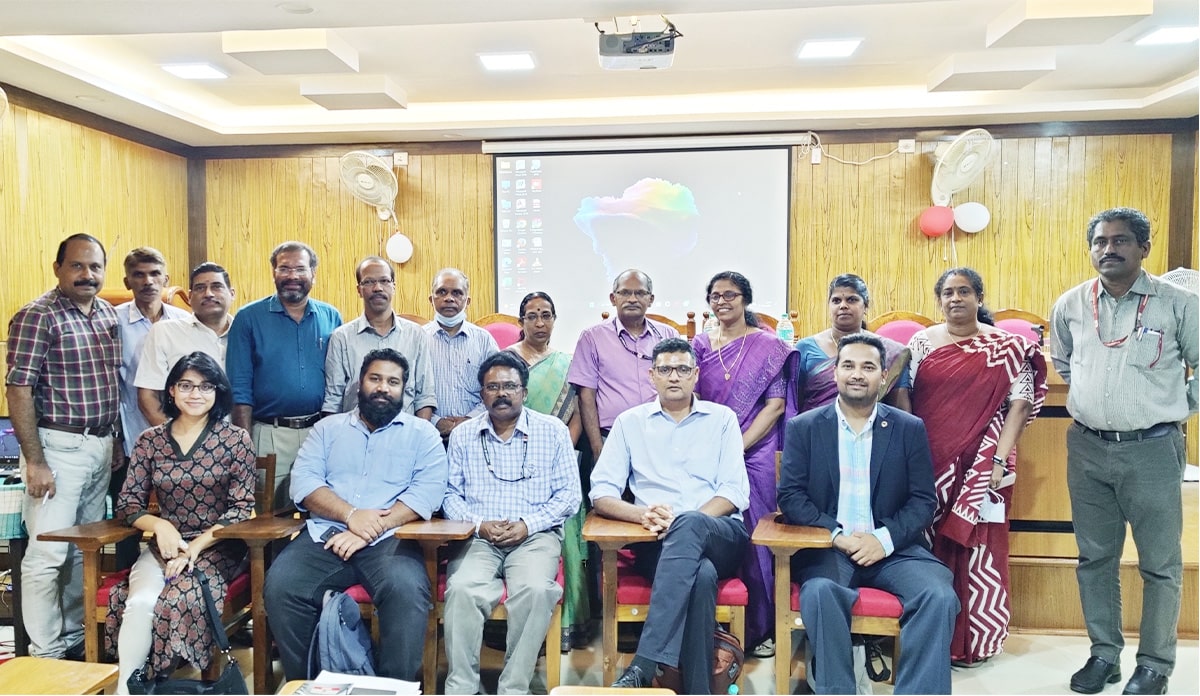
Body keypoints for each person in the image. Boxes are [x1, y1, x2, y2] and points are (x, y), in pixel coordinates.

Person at [1051, 207, 1198, 696]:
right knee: (1095, 559)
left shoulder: (1177, 304)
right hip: (1088, 447)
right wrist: (1096, 405)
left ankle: (1155, 664)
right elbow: (1064, 363)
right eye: (1100, 241)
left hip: (1153, 449)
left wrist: (1176, 410)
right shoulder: (1071, 304)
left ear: (1143, 248)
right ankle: (1104, 655)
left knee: (1159, 563)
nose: (1108, 249)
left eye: (1120, 241)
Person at [779, 333, 958, 695]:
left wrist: (883, 539)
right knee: (820, 593)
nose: (857, 374)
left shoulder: (909, 428)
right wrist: (837, 535)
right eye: (848, 365)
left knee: (938, 596)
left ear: (882, 375)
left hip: (893, 550)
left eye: (867, 367)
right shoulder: (805, 427)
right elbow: (791, 496)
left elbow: (923, 500)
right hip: (832, 548)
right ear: (835, 373)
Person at [263, 348, 448, 681]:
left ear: (404, 390)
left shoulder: (423, 435)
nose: (383, 387)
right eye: (375, 378)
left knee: (407, 591)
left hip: (391, 540)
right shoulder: (327, 429)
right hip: (325, 535)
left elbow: (428, 493)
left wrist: (369, 527)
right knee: (282, 586)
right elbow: (304, 483)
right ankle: (311, 684)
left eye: (393, 382)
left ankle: (394, 688)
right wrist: (350, 515)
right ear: (359, 383)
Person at [591, 337, 750, 693]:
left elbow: (735, 492)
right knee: (701, 576)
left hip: (720, 533)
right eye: (664, 369)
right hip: (656, 542)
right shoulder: (630, 422)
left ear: (695, 375)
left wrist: (684, 521)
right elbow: (601, 491)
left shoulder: (722, 419)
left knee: (692, 524)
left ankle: (645, 664)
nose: (673, 376)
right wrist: (641, 513)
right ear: (652, 376)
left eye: (681, 369)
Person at [907, 267, 1047, 667]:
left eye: (964, 291)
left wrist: (999, 460)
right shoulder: (922, 342)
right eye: (948, 293)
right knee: (927, 544)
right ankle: (930, 637)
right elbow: (904, 396)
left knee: (981, 548)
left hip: (987, 462)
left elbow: (1019, 405)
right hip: (930, 461)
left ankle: (975, 643)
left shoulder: (1007, 346)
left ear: (979, 298)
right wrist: (911, 455)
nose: (955, 299)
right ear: (939, 300)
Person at [104, 352, 255, 693]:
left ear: (218, 392)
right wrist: (160, 526)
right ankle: (127, 689)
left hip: (218, 546)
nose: (195, 394)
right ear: (171, 390)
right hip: (163, 546)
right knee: (141, 602)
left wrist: (195, 547)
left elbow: (242, 507)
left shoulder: (235, 440)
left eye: (205, 386)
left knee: (178, 598)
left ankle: (164, 684)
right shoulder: (150, 441)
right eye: (186, 385)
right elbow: (128, 503)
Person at [6, 233, 121, 660]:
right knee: (47, 555)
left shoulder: (107, 313)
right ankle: (46, 654)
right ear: (57, 268)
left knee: (83, 552)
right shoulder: (38, 316)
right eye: (77, 265)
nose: (87, 275)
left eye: (94, 267)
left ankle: (76, 639)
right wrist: (35, 461)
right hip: (56, 447)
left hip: (101, 445)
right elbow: (18, 389)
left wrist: (116, 443)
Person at [442, 351, 581, 694]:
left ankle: (513, 688)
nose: (501, 393)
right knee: (461, 590)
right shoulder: (463, 436)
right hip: (478, 538)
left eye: (509, 386)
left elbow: (569, 497)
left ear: (524, 391)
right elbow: (448, 496)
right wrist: (480, 524)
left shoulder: (553, 432)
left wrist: (527, 524)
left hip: (535, 537)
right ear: (481, 393)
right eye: (493, 387)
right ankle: (462, 687)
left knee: (534, 591)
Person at [691, 271, 797, 658]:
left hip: (756, 451)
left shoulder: (768, 346)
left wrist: (735, 446)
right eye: (715, 295)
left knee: (758, 535)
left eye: (730, 295)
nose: (722, 302)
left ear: (746, 300)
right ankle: (720, 622)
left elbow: (776, 406)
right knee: (712, 528)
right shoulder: (700, 344)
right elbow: (693, 399)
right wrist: (713, 446)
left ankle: (763, 625)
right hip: (706, 449)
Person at [504, 291, 591, 650]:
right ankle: (518, 630)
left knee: (565, 536)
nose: (540, 323)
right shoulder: (506, 363)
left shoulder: (568, 364)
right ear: (521, 321)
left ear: (554, 320)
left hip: (556, 463)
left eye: (546, 315)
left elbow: (576, 420)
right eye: (532, 316)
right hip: (510, 463)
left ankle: (567, 627)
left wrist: (558, 454)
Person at [227, 241, 342, 511]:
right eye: (284, 269)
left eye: (300, 269)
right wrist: (244, 446)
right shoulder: (248, 318)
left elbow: (340, 381)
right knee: (271, 517)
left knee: (322, 511)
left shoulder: (331, 316)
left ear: (313, 274)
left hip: (319, 432)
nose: (292, 276)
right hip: (270, 434)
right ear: (274, 273)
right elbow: (239, 388)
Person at [113, 247, 190, 570]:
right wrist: (116, 438)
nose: (148, 281)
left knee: (184, 515)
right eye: (139, 275)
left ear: (166, 279)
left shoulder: (185, 322)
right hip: (132, 439)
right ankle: (125, 585)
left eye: (155, 274)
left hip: (184, 442)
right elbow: (110, 386)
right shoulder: (113, 322)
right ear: (127, 281)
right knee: (129, 523)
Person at [568, 269, 680, 463]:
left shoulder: (668, 335)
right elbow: (586, 397)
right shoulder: (592, 338)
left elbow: (682, 387)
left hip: (662, 437)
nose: (632, 299)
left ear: (651, 299)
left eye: (640, 293)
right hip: (610, 438)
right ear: (613, 298)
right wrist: (597, 449)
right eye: (625, 293)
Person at [324, 256, 437, 419]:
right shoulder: (341, 338)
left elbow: (425, 396)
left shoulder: (416, 334)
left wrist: (417, 438)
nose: (377, 288)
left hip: (405, 436)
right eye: (369, 282)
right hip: (355, 435)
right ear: (359, 290)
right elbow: (332, 401)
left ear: (394, 287)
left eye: (384, 281)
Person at [135, 262, 236, 426]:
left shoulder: (246, 333)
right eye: (200, 288)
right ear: (189, 297)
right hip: (181, 445)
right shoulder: (165, 332)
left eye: (217, 287)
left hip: (239, 442)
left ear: (232, 294)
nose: (208, 293)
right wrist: (178, 440)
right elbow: (148, 397)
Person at [795, 274, 912, 413]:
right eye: (836, 300)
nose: (843, 305)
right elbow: (794, 403)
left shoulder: (890, 351)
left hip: (872, 430)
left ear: (865, 306)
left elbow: (900, 409)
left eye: (851, 300)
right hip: (815, 429)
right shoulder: (805, 348)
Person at [423, 268, 498, 440]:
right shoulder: (417, 340)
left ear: (467, 300)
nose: (449, 298)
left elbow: (496, 388)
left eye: (457, 293)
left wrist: (469, 421)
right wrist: (436, 422)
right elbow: (408, 391)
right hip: (429, 436)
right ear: (431, 299)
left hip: (478, 434)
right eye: (442, 292)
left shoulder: (484, 340)